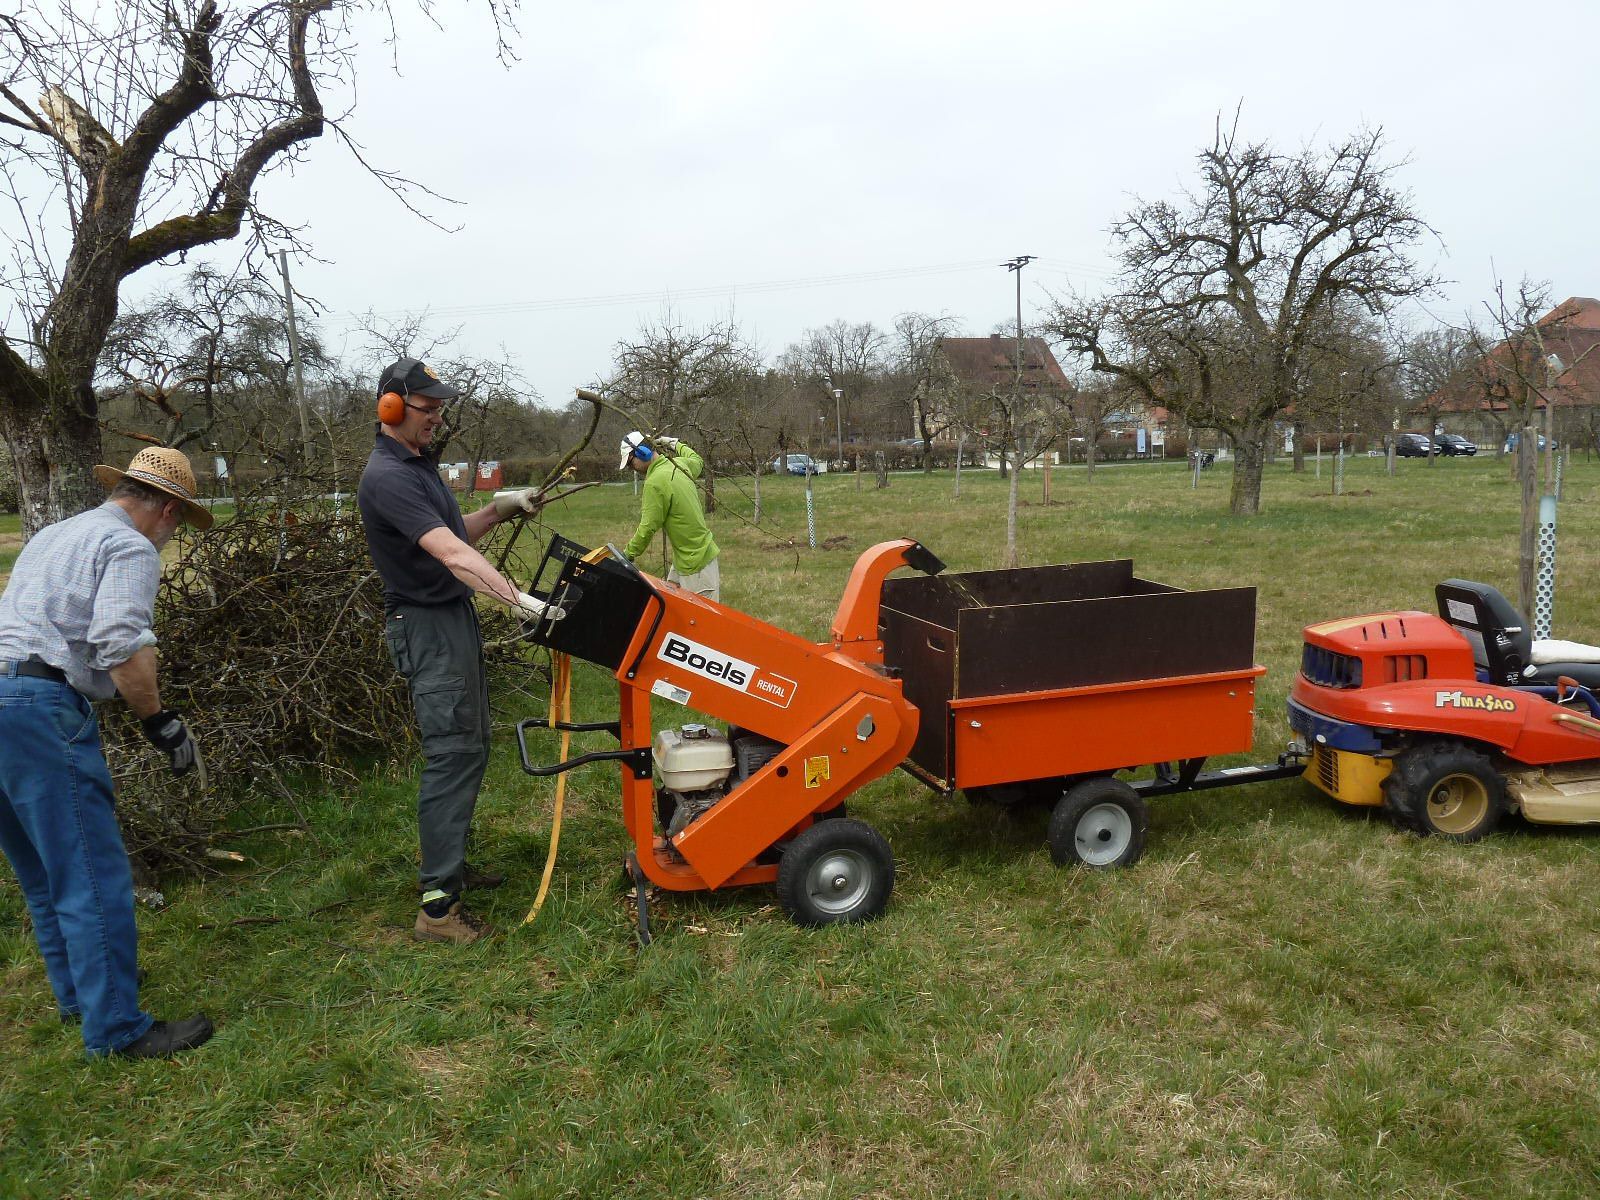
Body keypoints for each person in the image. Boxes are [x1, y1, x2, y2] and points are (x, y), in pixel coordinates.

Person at [0, 447, 214, 1058]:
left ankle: (81, 997)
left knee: (42, 873)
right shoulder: (128, 548)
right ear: (168, 509)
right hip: (38, 710)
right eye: (177, 526)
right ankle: (117, 1027)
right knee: (91, 873)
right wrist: (162, 724)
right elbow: (120, 644)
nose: (171, 538)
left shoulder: (55, 535)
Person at [357, 357, 556, 945]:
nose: (437, 419)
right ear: (391, 409)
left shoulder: (418, 469)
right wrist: (521, 601)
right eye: (427, 409)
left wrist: (498, 508)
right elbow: (451, 556)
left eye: (441, 408)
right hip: (426, 625)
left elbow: (454, 534)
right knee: (451, 752)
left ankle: (450, 865)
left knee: (470, 744)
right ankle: (437, 910)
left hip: (451, 617)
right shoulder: (387, 476)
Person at [620, 431, 721, 602]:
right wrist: (674, 444)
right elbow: (697, 460)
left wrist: (627, 554)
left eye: (630, 463)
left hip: (696, 566)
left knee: (701, 624)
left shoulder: (655, 482)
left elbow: (648, 526)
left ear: (641, 452)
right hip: (687, 559)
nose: (632, 469)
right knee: (669, 608)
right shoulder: (680, 465)